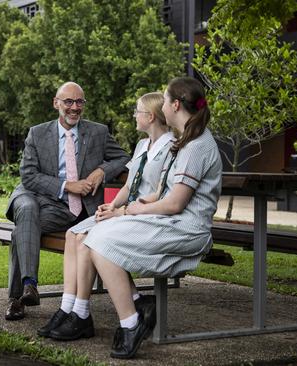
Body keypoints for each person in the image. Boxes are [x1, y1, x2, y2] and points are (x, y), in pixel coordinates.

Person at [73, 76, 221, 359]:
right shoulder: (187, 140)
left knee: (99, 242)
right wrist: (124, 210)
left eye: (165, 100)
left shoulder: (197, 146)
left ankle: (132, 322)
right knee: (96, 237)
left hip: (186, 230)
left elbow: (175, 203)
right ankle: (135, 312)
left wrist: (129, 210)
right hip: (170, 222)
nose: (162, 105)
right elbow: (162, 193)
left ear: (175, 105)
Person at [38, 92, 174, 340]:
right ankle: (68, 307)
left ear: (150, 116)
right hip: (126, 209)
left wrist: (121, 211)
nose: (134, 115)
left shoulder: (170, 148)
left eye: (137, 111)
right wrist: (111, 207)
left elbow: (162, 192)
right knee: (73, 233)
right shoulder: (143, 145)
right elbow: (128, 186)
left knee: (87, 239)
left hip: (144, 213)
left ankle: (81, 313)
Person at [4, 81, 130, 321]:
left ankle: (18, 296)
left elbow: (124, 157)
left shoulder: (98, 132)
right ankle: (26, 288)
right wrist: (67, 186)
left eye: (79, 102)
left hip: (70, 211)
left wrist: (101, 171)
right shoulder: (38, 133)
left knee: (22, 230)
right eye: (68, 102)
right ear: (56, 103)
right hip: (35, 197)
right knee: (28, 210)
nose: (74, 107)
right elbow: (28, 176)